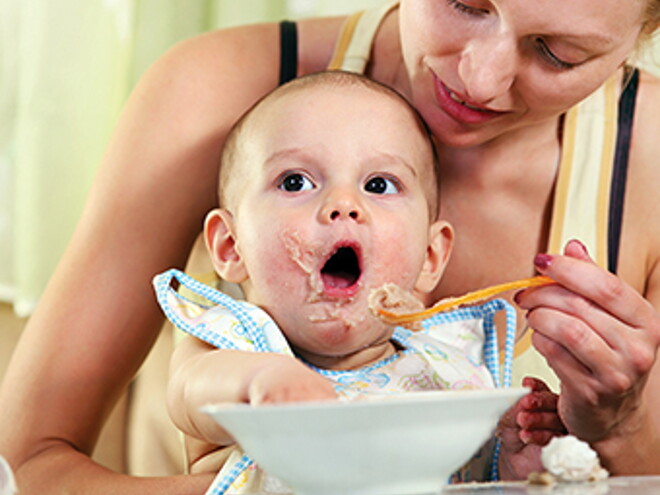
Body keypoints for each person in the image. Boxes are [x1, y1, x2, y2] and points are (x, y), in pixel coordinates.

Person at [0, 0, 658, 492]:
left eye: (557, 53)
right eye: (465, 2)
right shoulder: (212, 93)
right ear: (226, 241)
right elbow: (26, 463)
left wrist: (615, 426)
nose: (479, 80)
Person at [154, 70, 562, 492]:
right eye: (295, 182)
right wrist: (260, 383)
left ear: (429, 255)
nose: (344, 204)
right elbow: (191, 393)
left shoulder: (446, 371)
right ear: (231, 246)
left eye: (378, 185)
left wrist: (514, 460)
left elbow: (467, 480)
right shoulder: (229, 345)